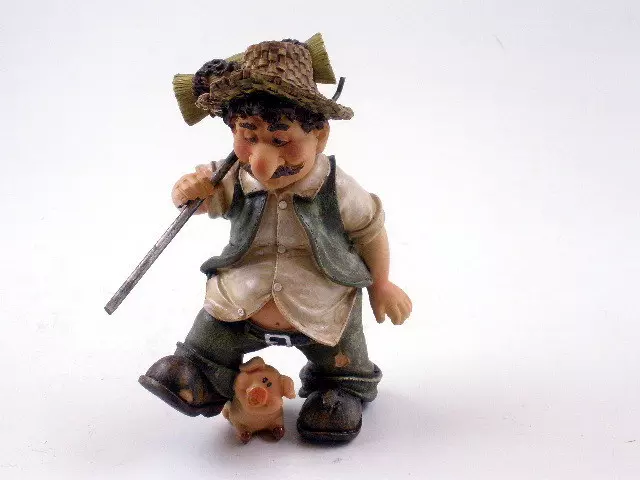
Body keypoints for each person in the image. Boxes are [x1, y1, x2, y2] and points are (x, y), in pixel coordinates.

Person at [139, 34, 412, 442]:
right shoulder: (233, 176)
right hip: (242, 302)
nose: (261, 161)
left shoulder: (337, 188)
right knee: (211, 332)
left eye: (281, 140)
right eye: (248, 136)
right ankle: (200, 375)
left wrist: (381, 284)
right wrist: (188, 191)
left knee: (343, 357)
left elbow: (370, 229)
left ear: (320, 136)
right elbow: (199, 200)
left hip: (323, 306)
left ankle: (339, 390)